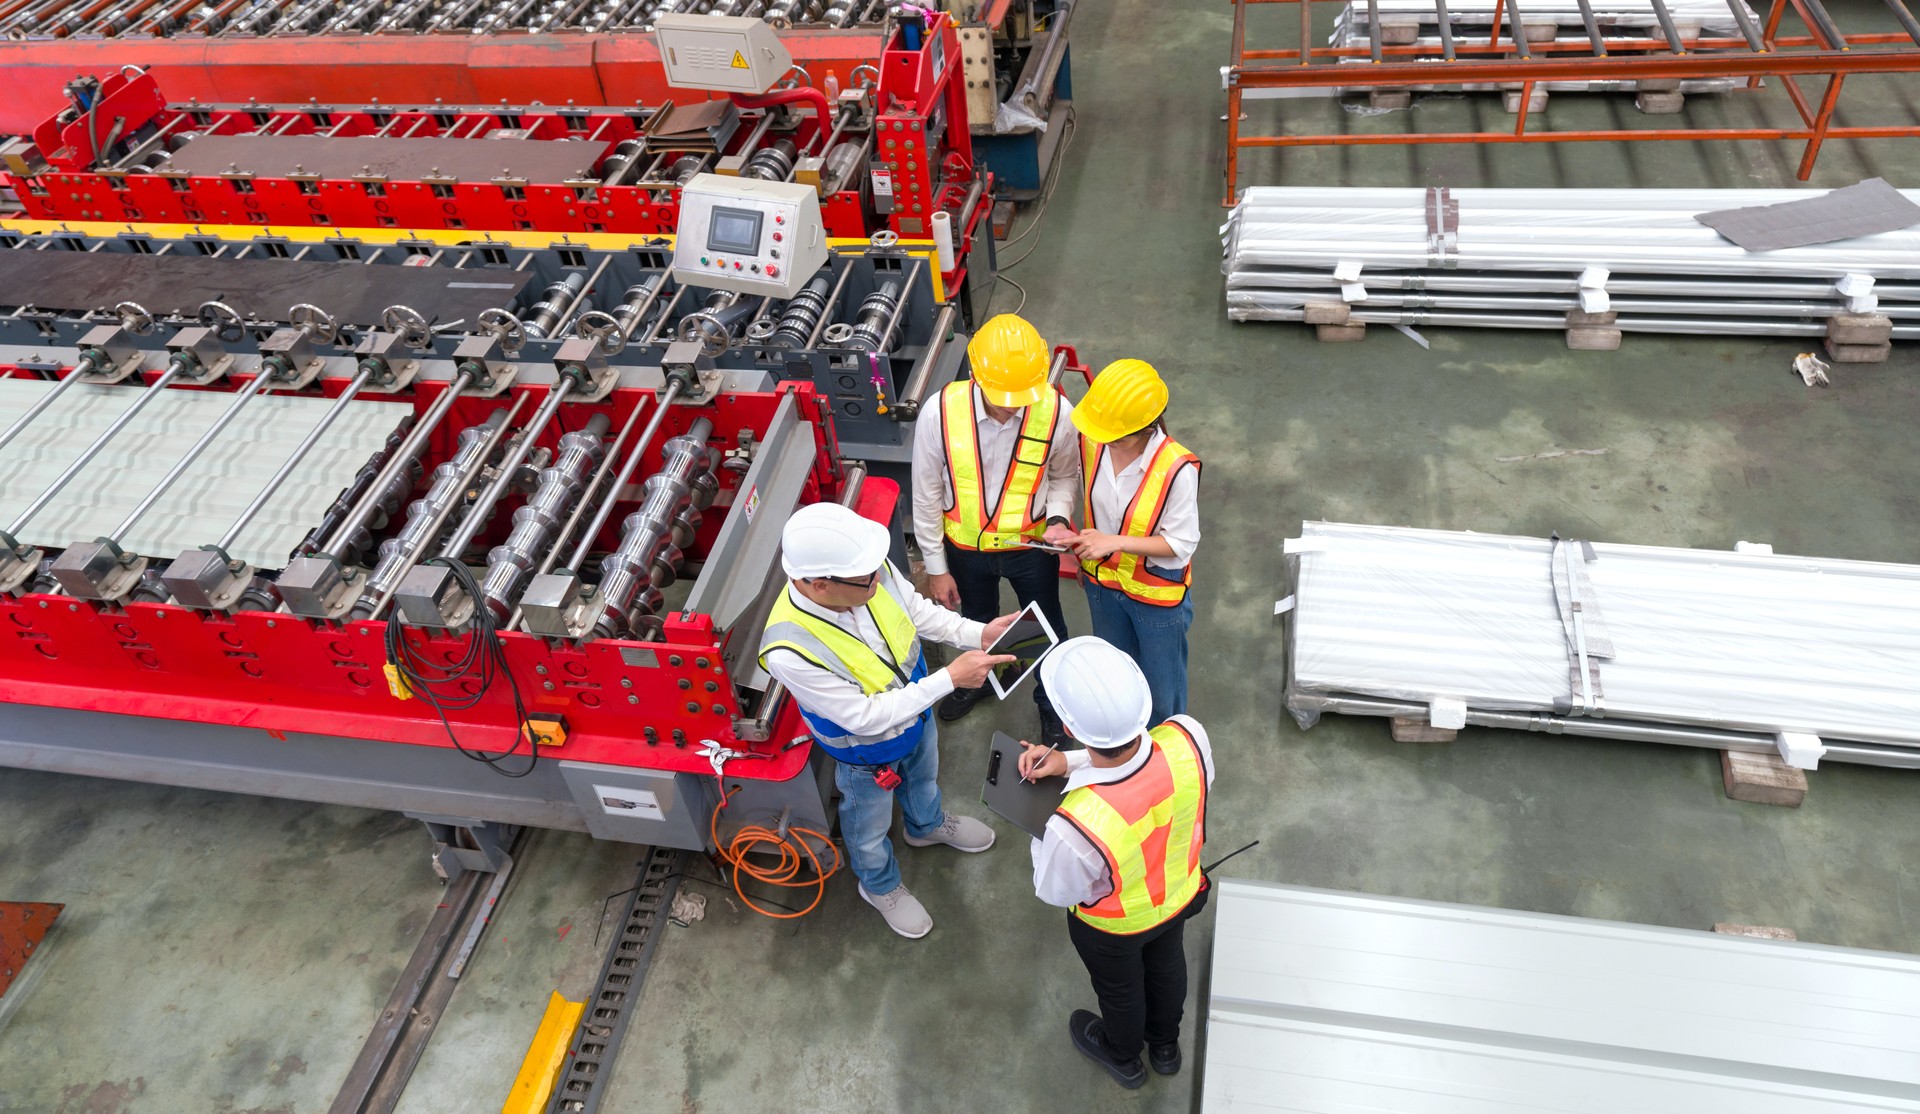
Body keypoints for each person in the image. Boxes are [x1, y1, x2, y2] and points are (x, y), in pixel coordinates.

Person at [758, 501, 1020, 938]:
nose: (878, 581)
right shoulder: (790, 648)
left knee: (923, 776)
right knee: (868, 826)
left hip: (916, 716)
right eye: (866, 581)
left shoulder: (867, 570)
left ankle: (926, 824)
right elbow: (863, 717)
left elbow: (917, 612)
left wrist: (979, 633)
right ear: (820, 585)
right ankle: (879, 886)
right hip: (867, 754)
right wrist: (949, 680)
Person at [1018, 636, 1215, 1090]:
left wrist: (1043, 828)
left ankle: (1123, 1056)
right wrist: (1068, 765)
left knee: (1121, 992)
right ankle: (1165, 1046)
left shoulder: (1074, 826)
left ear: (1067, 724)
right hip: (1181, 893)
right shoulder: (1189, 738)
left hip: (1114, 929)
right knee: (1168, 965)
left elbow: (1055, 891)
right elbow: (1137, 764)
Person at [911, 312, 1080, 747]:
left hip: (1031, 547)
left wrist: (1058, 518)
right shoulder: (940, 414)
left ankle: (1052, 705)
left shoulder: (1056, 410)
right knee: (979, 622)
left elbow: (1064, 475)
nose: (1013, 405)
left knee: (1046, 628)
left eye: (1022, 395)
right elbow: (926, 493)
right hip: (967, 552)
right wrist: (936, 567)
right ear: (975, 374)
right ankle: (980, 682)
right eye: (1003, 395)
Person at [1068, 359, 1202, 726]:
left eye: (1117, 437)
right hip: (1102, 588)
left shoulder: (1176, 469)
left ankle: (1164, 766)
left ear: (1145, 429)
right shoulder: (1094, 442)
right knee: (1116, 681)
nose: (1106, 442)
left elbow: (1180, 546)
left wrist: (1113, 542)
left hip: (1156, 600)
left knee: (1163, 696)